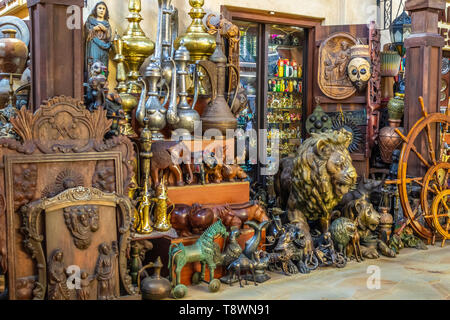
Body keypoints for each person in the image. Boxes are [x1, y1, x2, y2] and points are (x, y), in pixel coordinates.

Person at [84, 1, 112, 81]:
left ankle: (103, 83)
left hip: (104, 49)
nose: (101, 10)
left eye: (103, 9)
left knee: (103, 67)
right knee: (94, 65)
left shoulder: (107, 24)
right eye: (99, 8)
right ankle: (92, 84)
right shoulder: (90, 21)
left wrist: (105, 30)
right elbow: (86, 34)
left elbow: (109, 38)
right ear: (95, 10)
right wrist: (93, 29)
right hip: (94, 47)